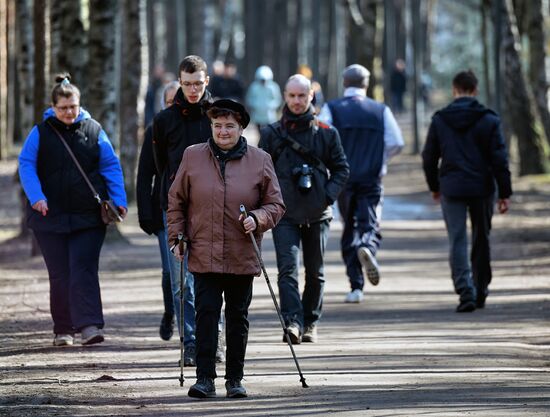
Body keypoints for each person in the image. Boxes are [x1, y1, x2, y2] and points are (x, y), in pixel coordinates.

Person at [167, 99, 285, 399]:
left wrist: (257, 218)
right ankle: (204, 379)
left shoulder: (260, 160)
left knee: (237, 317)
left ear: (241, 128)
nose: (223, 131)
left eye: (229, 126)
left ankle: (235, 379)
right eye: (217, 126)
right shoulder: (193, 156)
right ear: (211, 127)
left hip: (241, 253)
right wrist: (176, 237)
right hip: (203, 251)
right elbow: (176, 200)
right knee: (206, 314)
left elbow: (276, 205)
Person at [18, 73, 127, 346]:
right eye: (63, 108)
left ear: (80, 104)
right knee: (60, 274)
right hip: (48, 216)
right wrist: (36, 197)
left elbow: (110, 166)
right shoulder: (40, 132)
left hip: (88, 215)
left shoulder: (94, 130)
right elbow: (26, 164)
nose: (69, 112)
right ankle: (63, 329)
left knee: (84, 268)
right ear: (53, 107)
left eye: (73, 107)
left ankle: (90, 326)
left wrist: (119, 199)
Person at [259, 74, 349, 344]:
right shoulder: (271, 134)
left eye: (302, 95)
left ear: (311, 95)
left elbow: (342, 169)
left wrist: (327, 196)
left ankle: (310, 322)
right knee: (287, 270)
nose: (297, 101)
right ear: (284, 97)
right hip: (284, 214)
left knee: (315, 272)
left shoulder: (326, 133)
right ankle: (292, 323)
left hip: (318, 213)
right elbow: (259, 173)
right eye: (292, 96)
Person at [421, 70, 512, 312]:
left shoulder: (440, 120)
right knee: (482, 237)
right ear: (475, 90)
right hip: (482, 187)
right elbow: (500, 159)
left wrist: (435, 187)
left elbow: (429, 157)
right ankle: (481, 288)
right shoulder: (490, 120)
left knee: (457, 239)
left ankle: (465, 290)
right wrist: (505, 192)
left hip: (451, 187)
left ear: (454, 90)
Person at [319, 64, 404, 304]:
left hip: (343, 179)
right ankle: (368, 246)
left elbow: (323, 138)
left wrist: (330, 165)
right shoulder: (380, 110)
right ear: (367, 84)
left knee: (349, 226)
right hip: (371, 178)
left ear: (344, 83)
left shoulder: (332, 108)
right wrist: (381, 158)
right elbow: (396, 141)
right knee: (370, 222)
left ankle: (355, 285)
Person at [152, 55, 213, 367]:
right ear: (179, 81)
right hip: (176, 207)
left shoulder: (217, 114)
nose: (193, 90)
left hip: (214, 208)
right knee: (181, 280)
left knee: (213, 276)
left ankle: (212, 339)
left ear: (207, 82)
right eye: (187, 84)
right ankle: (190, 341)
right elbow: (160, 164)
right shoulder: (164, 121)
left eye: (198, 84)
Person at [137, 81, 179, 341]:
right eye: (170, 101)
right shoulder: (156, 128)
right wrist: (145, 214)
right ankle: (170, 312)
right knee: (169, 271)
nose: (175, 105)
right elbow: (145, 176)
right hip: (164, 208)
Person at [245, 65, 282, 129]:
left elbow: (278, 100)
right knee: (260, 132)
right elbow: (249, 98)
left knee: (270, 131)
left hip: (269, 116)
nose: (263, 81)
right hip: (257, 115)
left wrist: (271, 105)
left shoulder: (273, 87)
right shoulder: (254, 87)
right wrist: (255, 104)